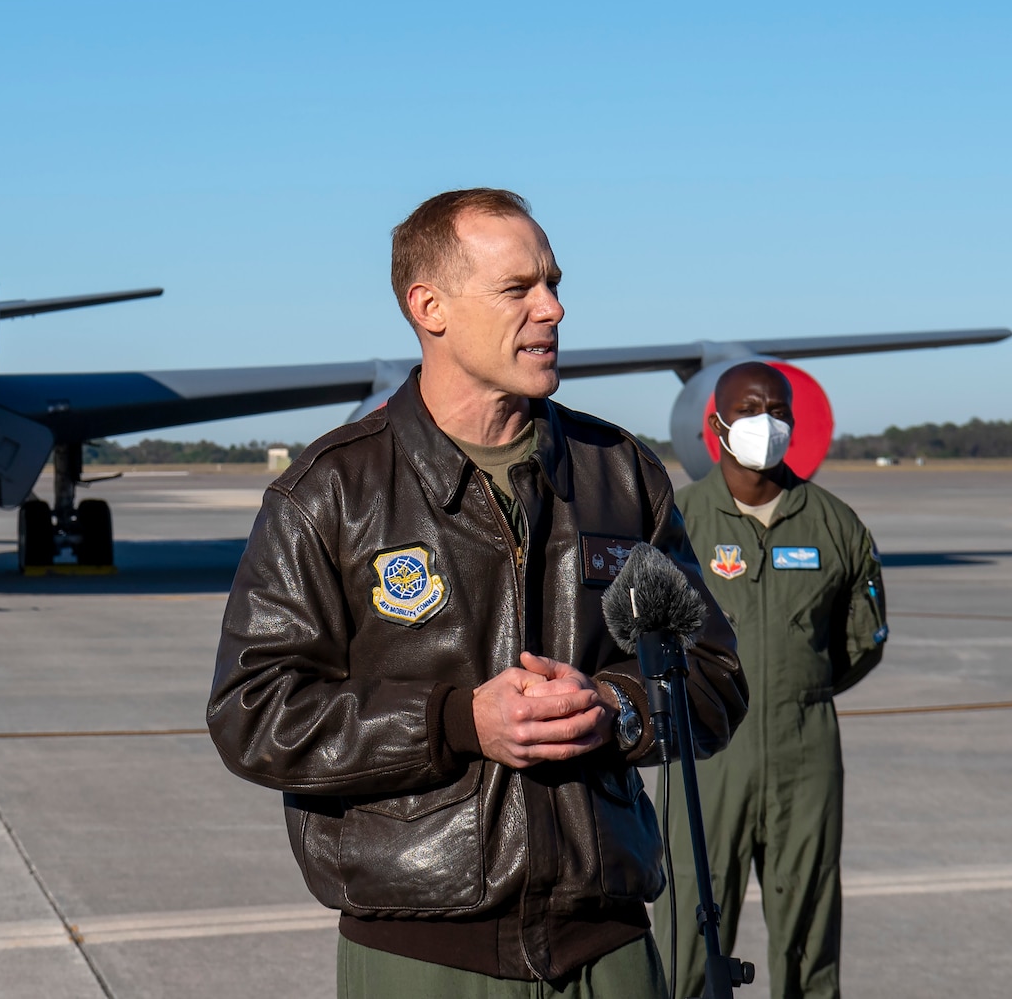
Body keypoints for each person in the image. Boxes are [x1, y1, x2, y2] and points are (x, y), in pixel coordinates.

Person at [208, 187, 750, 998]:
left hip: (605, 944)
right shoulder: (331, 492)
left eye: (555, 283)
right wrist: (461, 722)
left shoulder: (620, 476)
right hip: (424, 954)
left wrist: (616, 710)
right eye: (518, 288)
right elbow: (253, 712)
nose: (554, 309)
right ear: (428, 306)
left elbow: (711, 677)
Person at [665, 362, 886, 999]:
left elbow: (859, 642)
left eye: (778, 410)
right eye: (750, 409)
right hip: (704, 758)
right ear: (717, 425)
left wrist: (795, 689)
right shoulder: (676, 522)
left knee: (809, 922)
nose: (766, 423)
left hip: (804, 749)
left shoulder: (836, 526)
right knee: (690, 925)